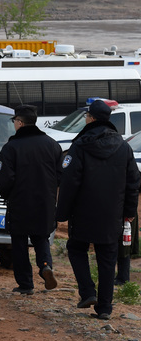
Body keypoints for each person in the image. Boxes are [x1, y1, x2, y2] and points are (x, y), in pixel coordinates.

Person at [57, 99, 140, 320]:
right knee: (107, 258)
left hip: (83, 212)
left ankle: (87, 292)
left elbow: (69, 182)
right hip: (113, 213)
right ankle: (104, 308)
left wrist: (62, 213)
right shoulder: (123, 147)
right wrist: (129, 212)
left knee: (76, 248)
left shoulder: (80, 145)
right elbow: (133, 182)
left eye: (86, 116)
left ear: (91, 118)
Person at [0, 105, 63, 295]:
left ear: (20, 122)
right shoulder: (52, 144)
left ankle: (26, 284)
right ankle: (45, 266)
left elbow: (3, 178)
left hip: (20, 203)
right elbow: (60, 175)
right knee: (41, 238)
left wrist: (9, 196)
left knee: (19, 243)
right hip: (45, 203)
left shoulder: (11, 147)